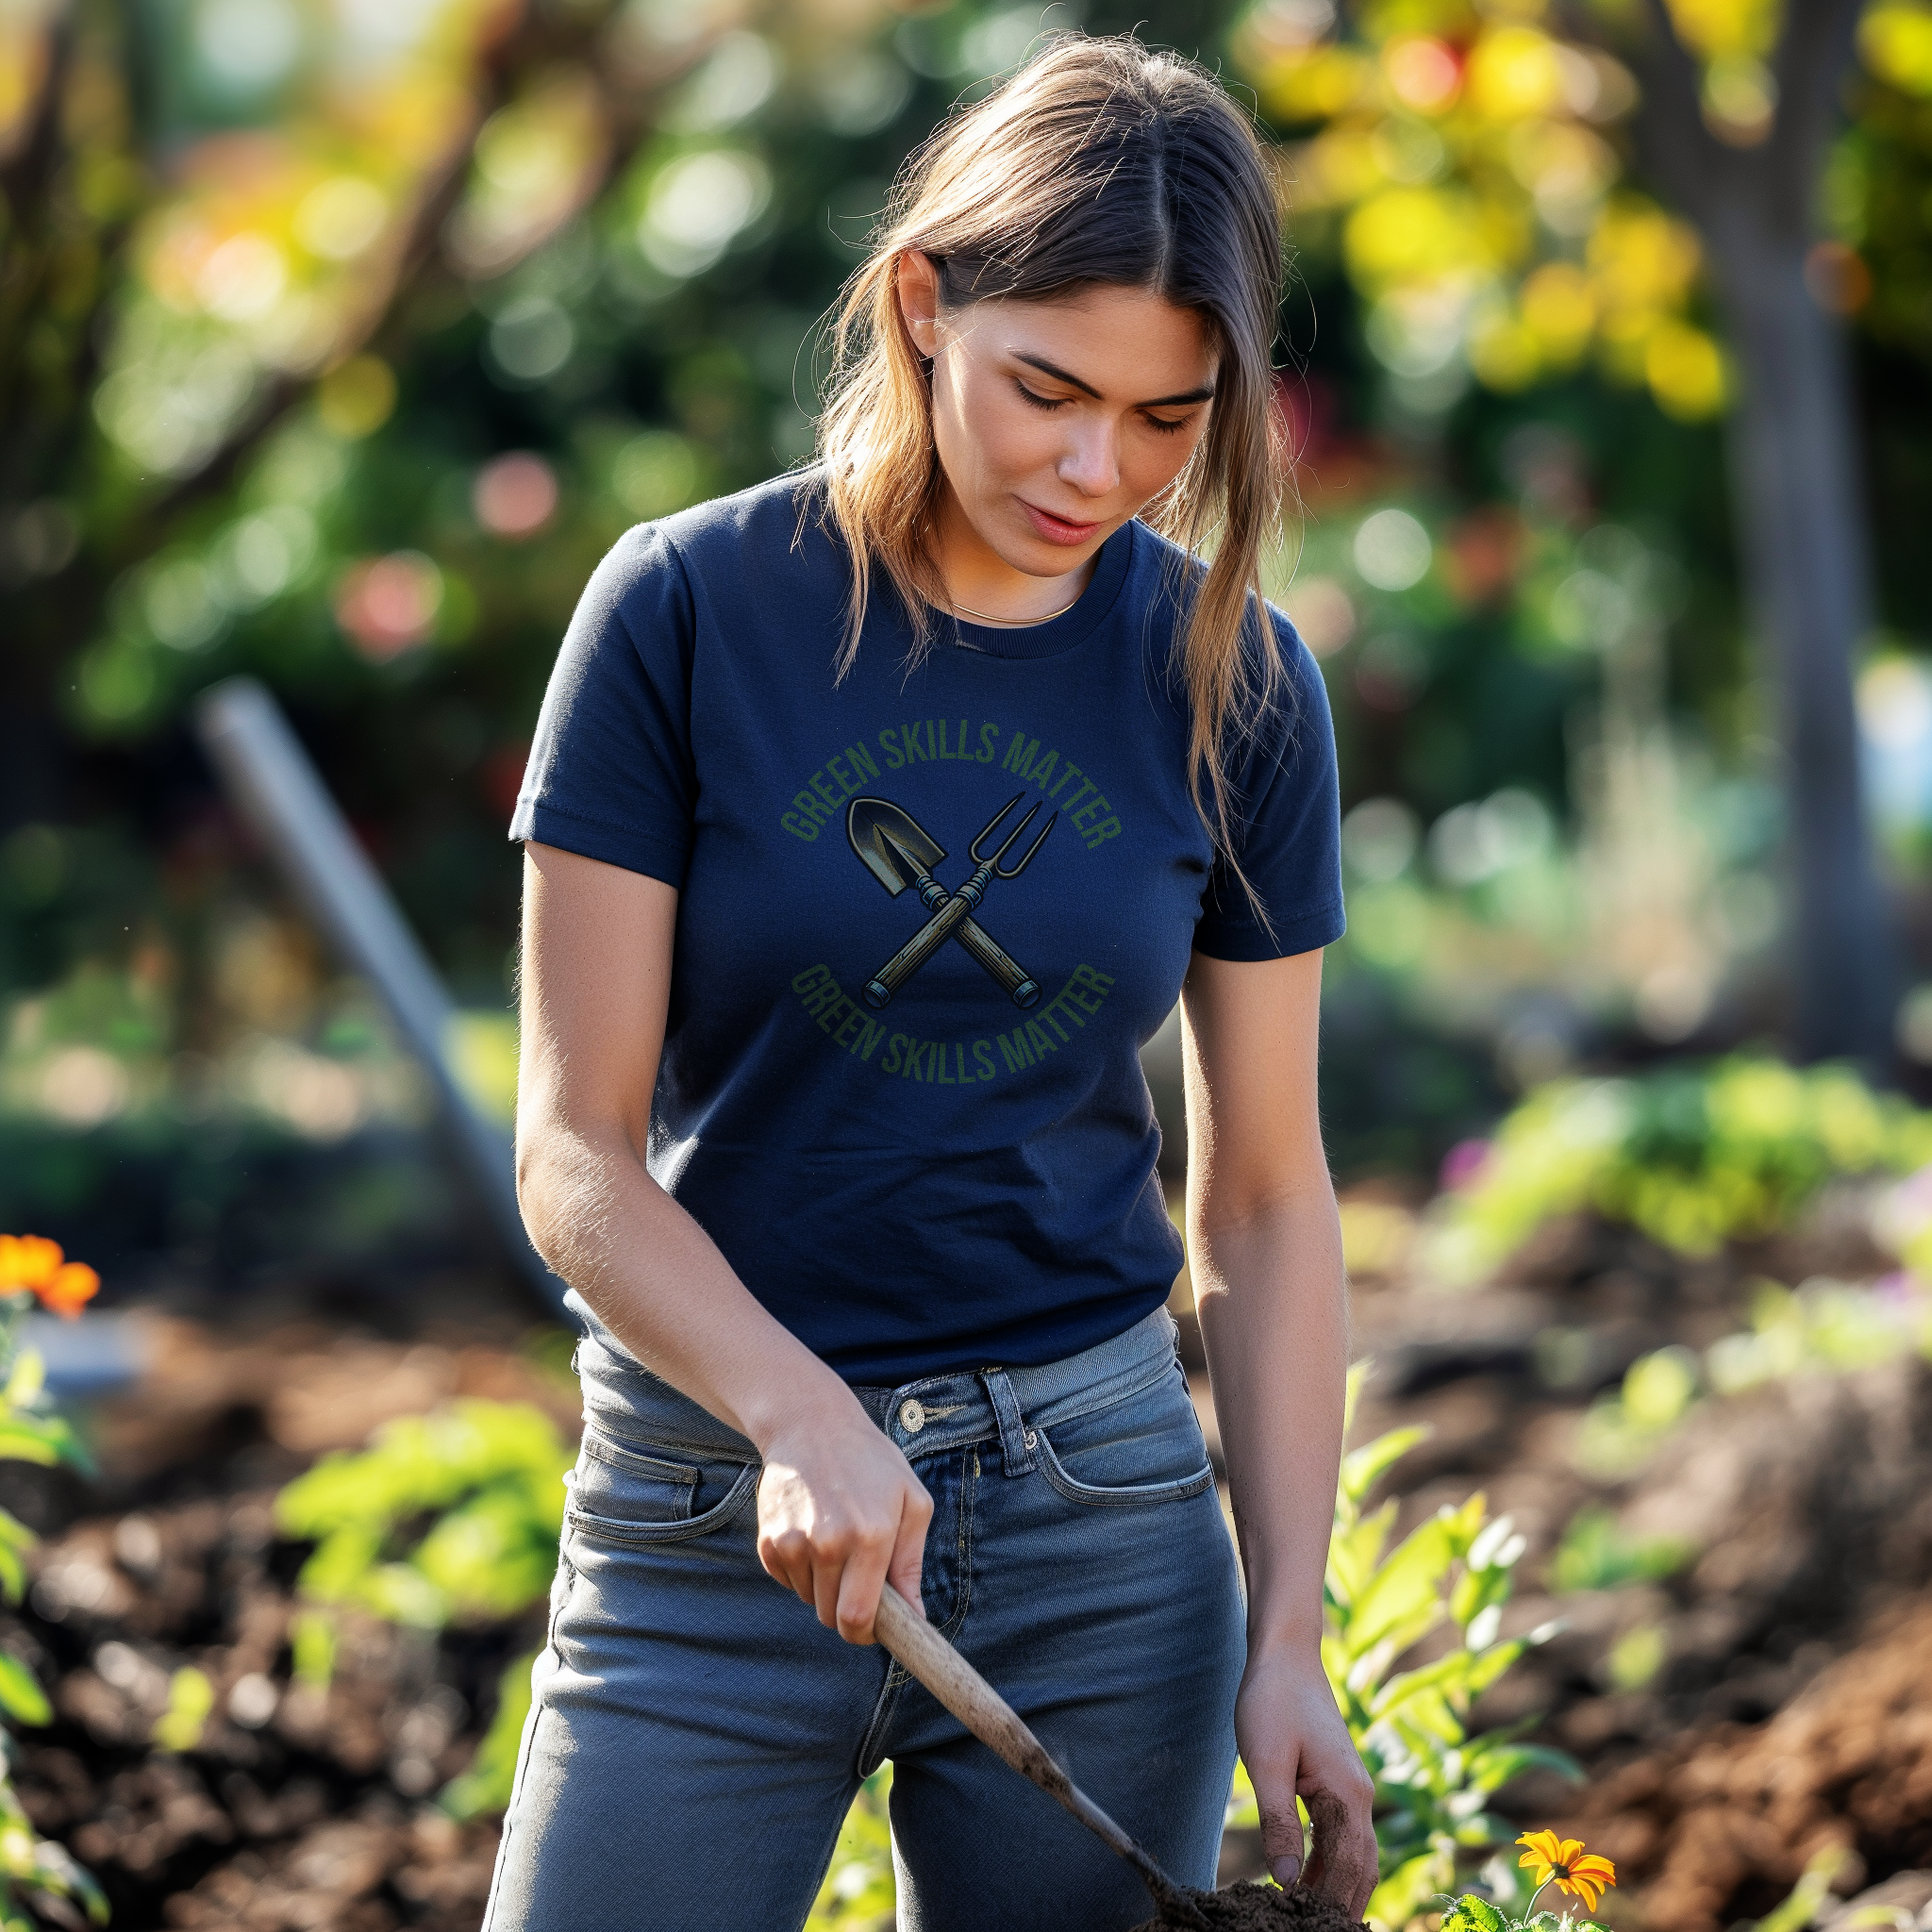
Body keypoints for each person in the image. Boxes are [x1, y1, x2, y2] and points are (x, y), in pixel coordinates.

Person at [489, 32, 1375, 1932]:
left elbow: (1271, 1196)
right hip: (717, 1509)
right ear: (922, 305)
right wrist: (799, 1412)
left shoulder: (1235, 674)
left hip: (1101, 1534)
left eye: (1164, 418)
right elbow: (573, 1156)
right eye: (1046, 388)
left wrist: (1289, 1630)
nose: (1097, 468)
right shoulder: (687, 612)